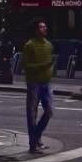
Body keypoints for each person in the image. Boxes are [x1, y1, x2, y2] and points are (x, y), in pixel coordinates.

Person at [21, 20, 55, 154]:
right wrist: (43, 67)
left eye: (45, 26)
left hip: (46, 83)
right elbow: (25, 66)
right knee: (32, 113)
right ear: (36, 30)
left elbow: (50, 61)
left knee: (49, 111)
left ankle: (36, 136)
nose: (44, 28)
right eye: (41, 27)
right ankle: (33, 144)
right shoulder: (29, 45)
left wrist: (49, 71)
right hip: (33, 83)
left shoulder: (49, 45)